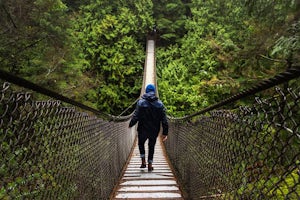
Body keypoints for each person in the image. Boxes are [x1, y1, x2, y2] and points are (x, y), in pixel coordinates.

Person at [129, 84, 168, 171]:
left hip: (142, 129)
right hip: (154, 130)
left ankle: (143, 162)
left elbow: (136, 116)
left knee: (141, 144)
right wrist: (165, 133)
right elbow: (164, 120)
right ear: (154, 92)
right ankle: (150, 164)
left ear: (146, 91)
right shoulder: (160, 104)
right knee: (151, 146)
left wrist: (131, 124)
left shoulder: (140, 102)